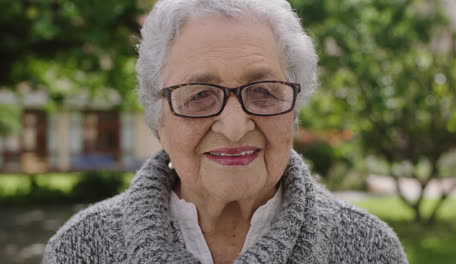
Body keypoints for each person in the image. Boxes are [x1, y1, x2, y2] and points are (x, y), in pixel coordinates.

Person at [43, 0, 408, 263]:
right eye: (199, 95)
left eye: (263, 92)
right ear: (159, 118)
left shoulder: (368, 248)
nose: (234, 128)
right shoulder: (81, 249)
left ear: (294, 110)